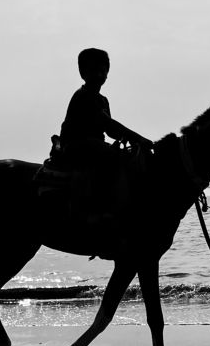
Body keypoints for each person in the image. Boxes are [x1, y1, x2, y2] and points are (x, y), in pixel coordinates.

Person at [58, 48, 152, 223]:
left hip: (94, 145)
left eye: (103, 70)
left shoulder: (102, 100)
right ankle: (97, 211)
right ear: (82, 73)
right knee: (111, 157)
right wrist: (138, 138)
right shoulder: (83, 96)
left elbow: (110, 131)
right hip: (76, 144)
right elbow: (107, 123)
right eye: (94, 70)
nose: (100, 75)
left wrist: (131, 141)